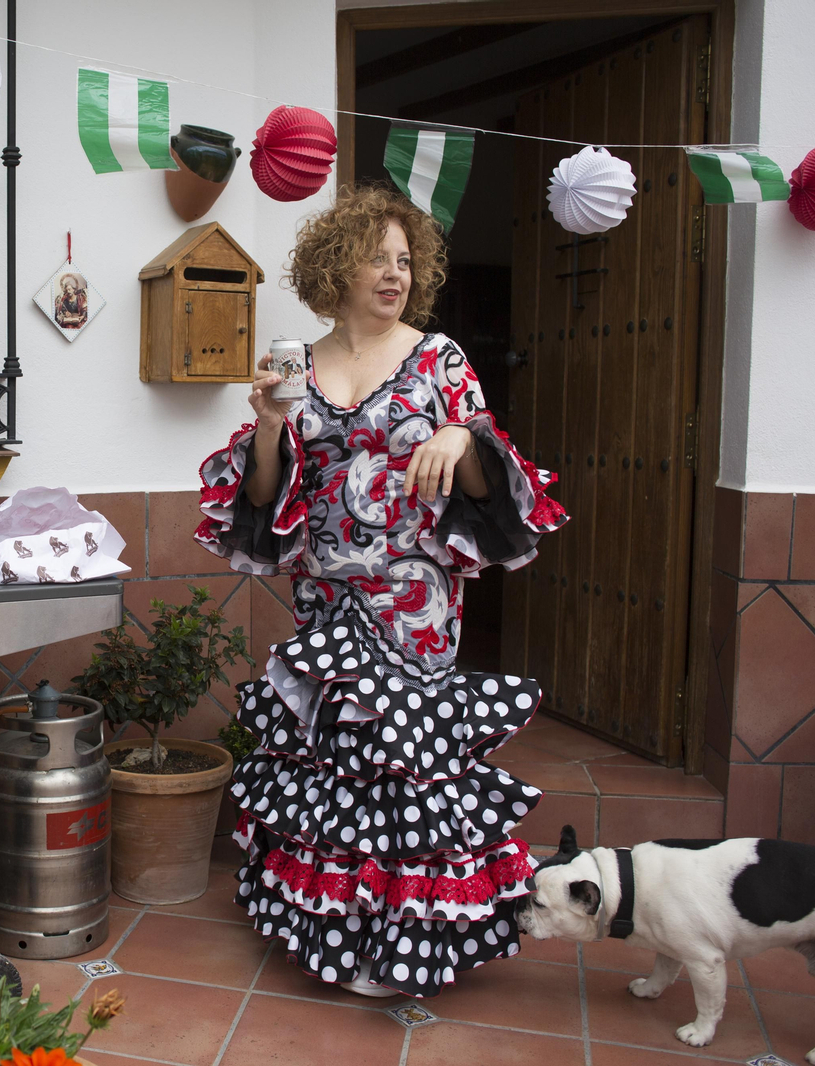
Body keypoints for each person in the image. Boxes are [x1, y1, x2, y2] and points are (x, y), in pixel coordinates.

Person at [195, 184, 569, 999]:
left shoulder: (440, 360)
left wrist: (457, 430)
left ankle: (404, 940)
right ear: (338, 263)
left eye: (404, 261)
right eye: (376, 257)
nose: (393, 273)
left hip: (415, 600)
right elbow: (262, 499)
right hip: (325, 594)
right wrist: (265, 425)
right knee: (334, 752)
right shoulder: (302, 364)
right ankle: (337, 926)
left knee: (404, 757)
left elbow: (483, 479)